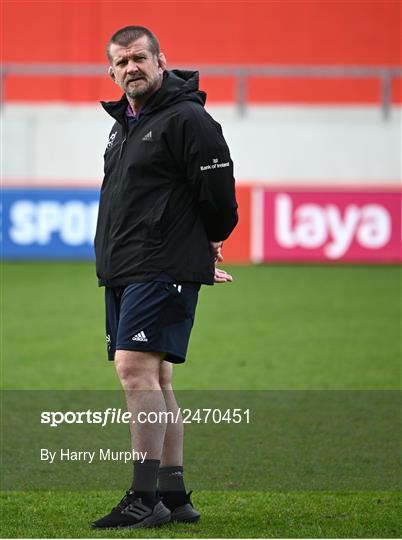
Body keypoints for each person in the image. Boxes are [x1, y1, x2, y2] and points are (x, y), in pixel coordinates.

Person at [92, 25, 238, 529]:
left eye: (139, 58)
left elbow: (219, 194)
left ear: (161, 61)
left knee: (134, 369)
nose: (131, 67)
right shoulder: (124, 124)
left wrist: (205, 245)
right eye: (121, 62)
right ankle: (173, 496)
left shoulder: (187, 118)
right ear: (111, 71)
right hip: (127, 266)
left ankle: (143, 495)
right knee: (157, 376)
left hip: (158, 265)